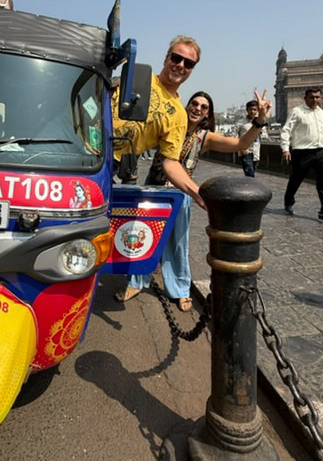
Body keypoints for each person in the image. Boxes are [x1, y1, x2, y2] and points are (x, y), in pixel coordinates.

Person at [116, 88, 271, 309]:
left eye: (203, 107)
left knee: (178, 243)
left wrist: (260, 120)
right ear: (187, 106)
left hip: (181, 194)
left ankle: (179, 288)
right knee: (144, 237)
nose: (198, 108)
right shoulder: (168, 126)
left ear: (208, 115)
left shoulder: (203, 138)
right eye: (195, 104)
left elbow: (240, 145)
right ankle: (136, 281)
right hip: (154, 191)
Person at [112, 36, 204, 208]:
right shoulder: (136, 79)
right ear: (166, 58)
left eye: (188, 63)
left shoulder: (178, 115)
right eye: (176, 58)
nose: (181, 65)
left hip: (112, 169)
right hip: (80, 151)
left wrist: (198, 194)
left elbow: (170, 163)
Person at [280, 87, 323, 225]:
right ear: (305, 98)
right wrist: (285, 149)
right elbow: (286, 131)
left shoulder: (320, 112)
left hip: (321, 151)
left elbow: (320, 131)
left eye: (317, 97)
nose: (315, 100)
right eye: (312, 97)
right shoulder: (297, 112)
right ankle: (289, 200)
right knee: (296, 179)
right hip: (302, 152)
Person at [238, 99, 263, 177]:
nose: (252, 111)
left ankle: (247, 187)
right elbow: (235, 137)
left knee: (251, 174)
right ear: (247, 110)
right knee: (250, 175)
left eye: (254, 109)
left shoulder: (259, 122)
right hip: (245, 151)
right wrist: (241, 149)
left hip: (256, 152)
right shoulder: (240, 123)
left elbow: (263, 135)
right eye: (251, 109)